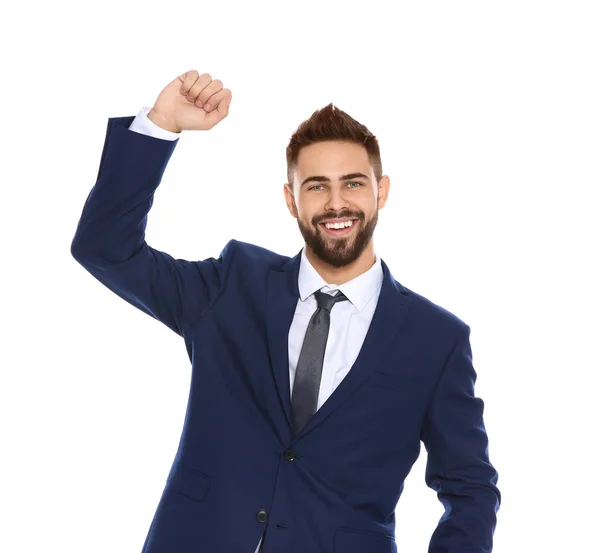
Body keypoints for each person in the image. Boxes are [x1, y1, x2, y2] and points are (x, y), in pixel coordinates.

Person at [71, 69, 501, 553]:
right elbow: (105, 248)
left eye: (353, 183)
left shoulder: (435, 340)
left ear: (380, 192)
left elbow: (470, 489)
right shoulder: (233, 285)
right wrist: (161, 123)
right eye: (316, 186)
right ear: (290, 200)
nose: (336, 203)